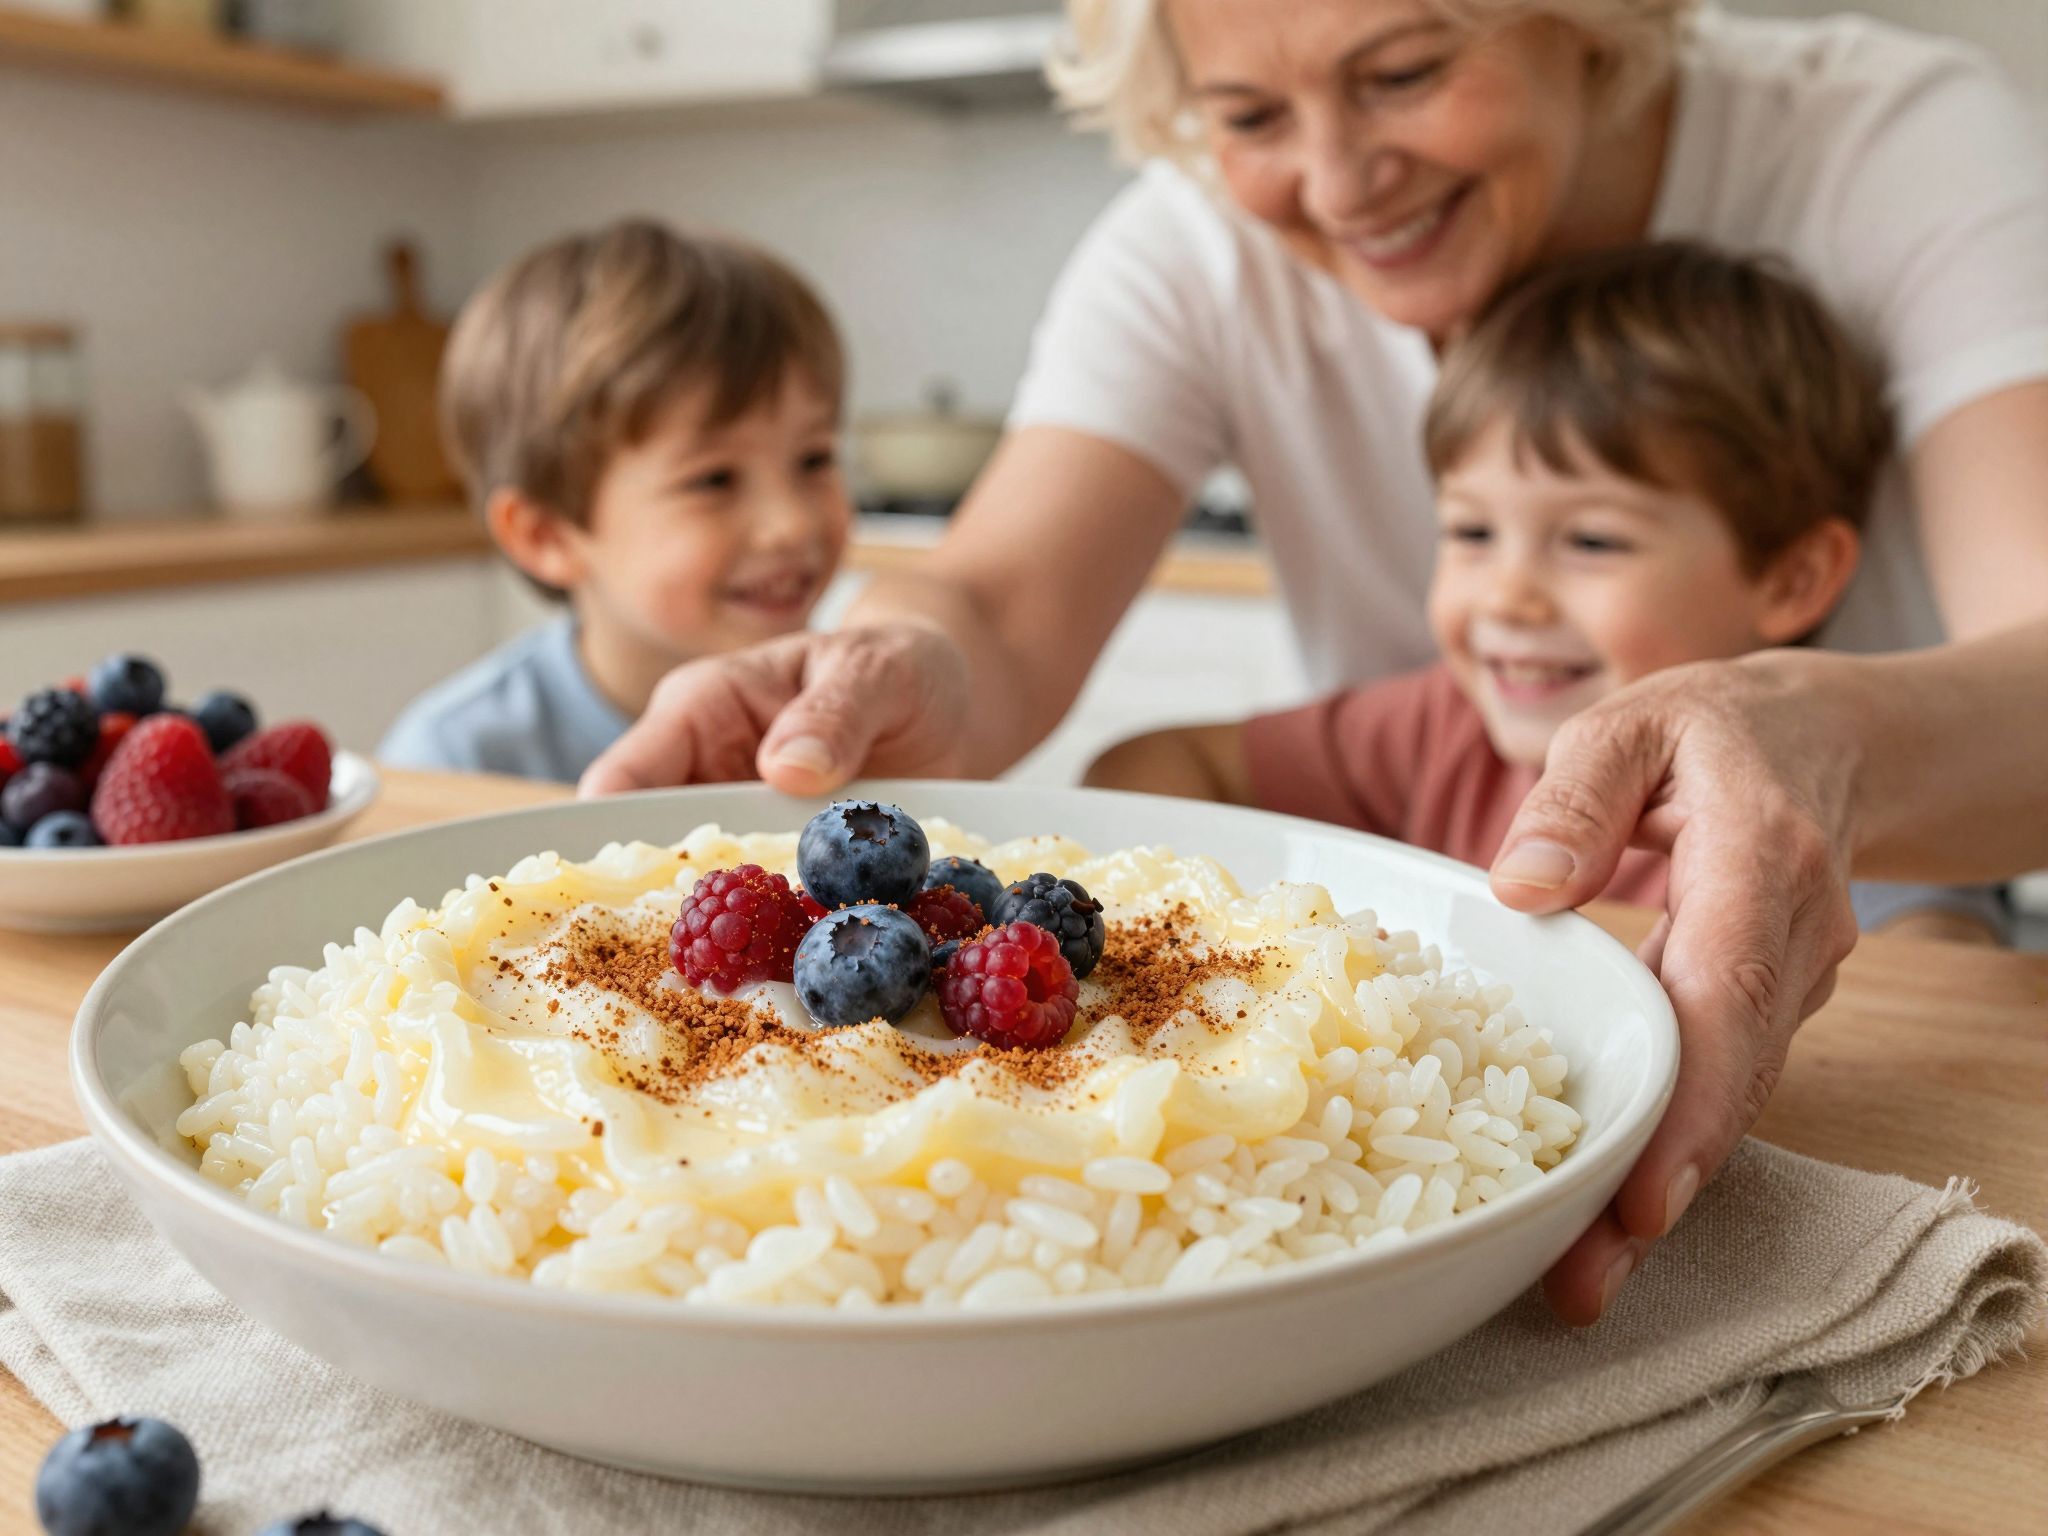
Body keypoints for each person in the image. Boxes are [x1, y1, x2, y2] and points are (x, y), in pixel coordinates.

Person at [581, 0, 2048, 1324]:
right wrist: (899, 654)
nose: (1339, 184)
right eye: (1248, 114)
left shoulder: (1885, 144)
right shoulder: (1190, 245)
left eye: (1402, 71)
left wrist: (1821, 733)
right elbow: (995, 602)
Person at [1085, 241, 2009, 947]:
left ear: (1791, 577)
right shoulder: (1440, 731)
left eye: (1592, 541)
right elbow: (1148, 766)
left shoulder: (1821, 800)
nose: (1509, 597)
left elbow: (1938, 978)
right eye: (1472, 533)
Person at [378, 219, 851, 784]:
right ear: (546, 535)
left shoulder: (857, 719)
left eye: (815, 459)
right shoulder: (456, 760)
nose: (792, 524)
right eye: (714, 480)